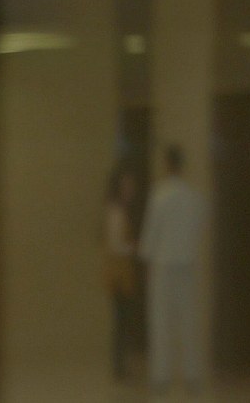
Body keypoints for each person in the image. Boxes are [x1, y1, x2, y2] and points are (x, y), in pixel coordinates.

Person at [138, 145, 208, 394]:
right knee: (188, 322)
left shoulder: (159, 195)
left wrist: (145, 257)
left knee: (161, 322)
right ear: (183, 165)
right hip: (186, 265)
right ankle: (192, 375)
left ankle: (161, 377)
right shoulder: (195, 198)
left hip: (163, 266)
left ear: (167, 164)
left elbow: (151, 232)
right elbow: (200, 228)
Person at [103, 161, 140, 382]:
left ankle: (120, 365)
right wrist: (133, 247)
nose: (131, 188)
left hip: (120, 274)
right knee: (121, 321)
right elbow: (116, 245)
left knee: (122, 320)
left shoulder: (118, 210)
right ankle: (119, 367)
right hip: (119, 274)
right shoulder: (116, 212)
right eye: (127, 184)